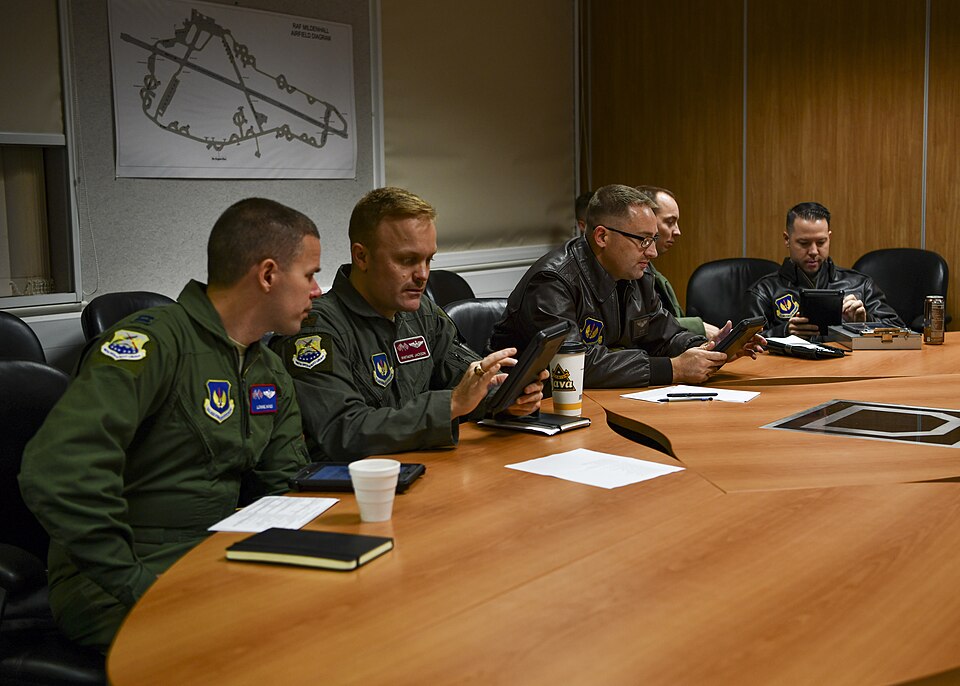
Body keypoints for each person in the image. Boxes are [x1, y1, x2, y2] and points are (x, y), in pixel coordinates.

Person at [18, 198, 321, 652]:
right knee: (261, 651)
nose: (317, 291)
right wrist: (136, 582)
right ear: (267, 275)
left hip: (211, 561)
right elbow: (56, 471)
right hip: (115, 581)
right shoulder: (153, 343)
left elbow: (285, 484)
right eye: (310, 275)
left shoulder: (267, 369)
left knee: (336, 616)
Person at [272, 186, 546, 460]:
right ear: (362, 256)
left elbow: (467, 381)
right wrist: (450, 404)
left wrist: (504, 396)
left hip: (422, 466)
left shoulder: (421, 313)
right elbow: (343, 431)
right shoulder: (316, 330)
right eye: (407, 260)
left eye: (428, 260)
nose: (423, 275)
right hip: (355, 479)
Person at [490, 184, 762, 388]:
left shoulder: (637, 275)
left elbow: (664, 335)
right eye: (643, 240)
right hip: (529, 408)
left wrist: (710, 349)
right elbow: (573, 364)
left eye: (653, 239)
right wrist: (673, 369)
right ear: (602, 236)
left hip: (597, 400)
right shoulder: (553, 281)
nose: (652, 252)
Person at [746, 201, 904, 339]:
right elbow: (747, 344)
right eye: (804, 243)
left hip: (848, 364)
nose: (813, 251)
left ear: (829, 238)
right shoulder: (765, 290)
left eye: (821, 242)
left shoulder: (861, 285)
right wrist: (784, 332)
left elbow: (900, 331)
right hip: (789, 364)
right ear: (787, 239)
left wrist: (865, 322)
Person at [635, 185, 720, 340]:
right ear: (647, 220)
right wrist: (698, 327)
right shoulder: (627, 272)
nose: (677, 231)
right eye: (669, 222)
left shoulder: (655, 275)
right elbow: (639, 329)